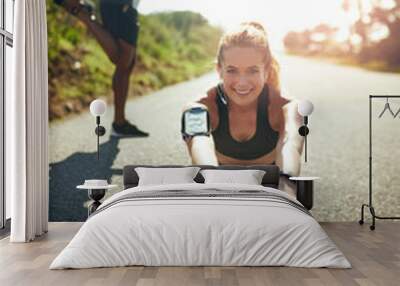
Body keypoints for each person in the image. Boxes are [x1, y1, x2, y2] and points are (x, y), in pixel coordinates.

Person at [181, 22, 304, 176]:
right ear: (219, 69)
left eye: (253, 71)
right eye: (232, 70)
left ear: (266, 71)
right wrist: (213, 184)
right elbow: (199, 143)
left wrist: (286, 187)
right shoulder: (197, 107)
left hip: (271, 187)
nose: (242, 82)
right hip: (219, 186)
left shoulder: (289, 107)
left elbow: (291, 145)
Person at [55, 0, 149, 137]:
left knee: (128, 64)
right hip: (118, 5)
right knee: (123, 60)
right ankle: (84, 15)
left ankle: (120, 122)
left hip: (126, 6)